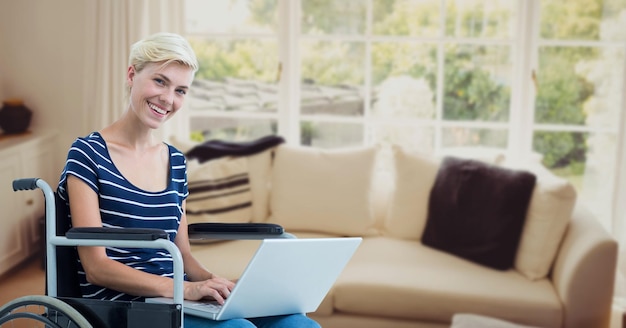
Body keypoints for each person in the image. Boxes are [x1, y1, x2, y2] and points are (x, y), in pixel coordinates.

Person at [57, 32, 320, 328]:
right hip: (126, 308)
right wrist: (187, 290)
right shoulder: (87, 152)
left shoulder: (176, 161)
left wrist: (216, 284)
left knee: (298, 324)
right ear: (132, 74)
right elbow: (96, 267)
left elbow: (183, 256)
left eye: (181, 90)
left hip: (178, 297)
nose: (168, 99)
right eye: (160, 81)